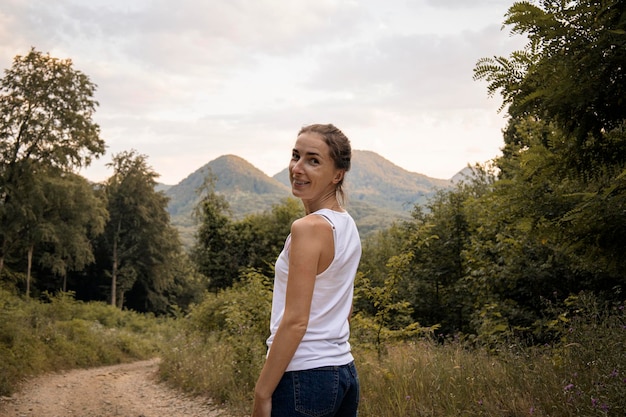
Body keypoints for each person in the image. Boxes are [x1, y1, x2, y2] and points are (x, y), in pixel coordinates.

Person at [252, 124, 362, 417]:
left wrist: (262, 393)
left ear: (337, 174)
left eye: (313, 160)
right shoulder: (347, 226)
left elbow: (296, 321)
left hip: (304, 376)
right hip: (343, 374)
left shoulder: (308, 229)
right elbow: (345, 309)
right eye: (295, 156)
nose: (297, 168)